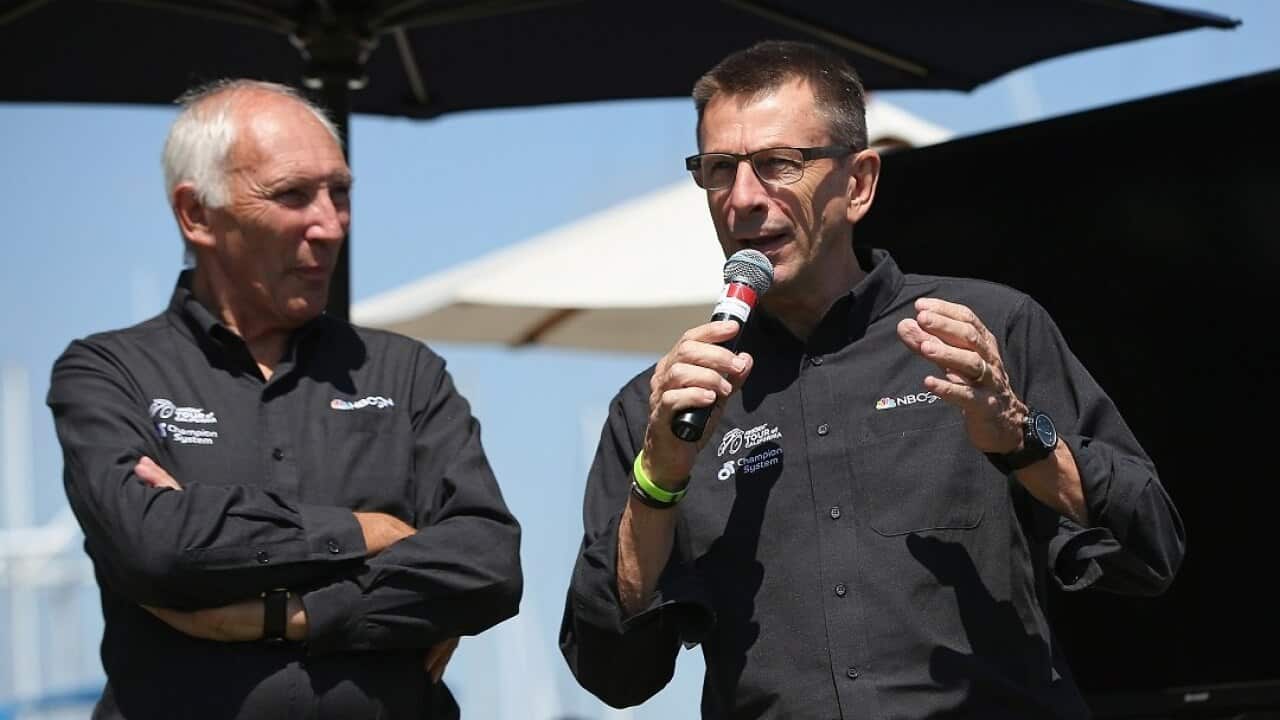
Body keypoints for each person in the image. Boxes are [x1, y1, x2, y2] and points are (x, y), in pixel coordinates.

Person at [560, 40, 1183, 719]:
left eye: (778, 164)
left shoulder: (985, 333)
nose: (742, 200)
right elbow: (610, 672)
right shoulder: (661, 407)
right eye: (718, 170)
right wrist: (658, 480)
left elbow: (1150, 548)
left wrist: (1019, 435)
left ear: (858, 184)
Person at [46, 79, 522, 720]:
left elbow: (489, 566)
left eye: (340, 192)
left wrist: (287, 615)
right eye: (292, 195)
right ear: (196, 214)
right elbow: (154, 548)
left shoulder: (405, 372)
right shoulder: (109, 372)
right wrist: (367, 533)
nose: (330, 224)